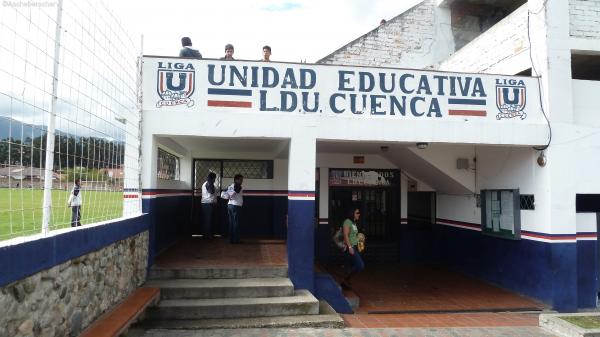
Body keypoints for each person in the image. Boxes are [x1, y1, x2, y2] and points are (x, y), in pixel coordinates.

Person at [341, 208, 364, 288]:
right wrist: (350, 247)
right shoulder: (347, 222)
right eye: (357, 213)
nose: (359, 214)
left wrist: (359, 237)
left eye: (359, 213)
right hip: (350, 247)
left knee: (352, 265)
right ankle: (346, 276)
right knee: (360, 265)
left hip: (356, 246)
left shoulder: (354, 223)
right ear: (352, 213)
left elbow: (352, 235)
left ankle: (346, 281)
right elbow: (345, 235)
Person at [226, 174, 243, 243]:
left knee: (231, 222)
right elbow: (237, 190)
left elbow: (227, 194)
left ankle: (231, 239)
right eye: (240, 180)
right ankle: (236, 240)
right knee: (236, 223)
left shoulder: (230, 186)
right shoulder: (237, 186)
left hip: (230, 205)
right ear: (236, 180)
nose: (242, 181)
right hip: (236, 206)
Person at [201, 172, 218, 238]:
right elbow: (211, 191)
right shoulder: (209, 183)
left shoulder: (206, 183)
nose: (215, 180)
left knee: (208, 220)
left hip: (207, 204)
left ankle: (207, 234)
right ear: (212, 178)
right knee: (208, 220)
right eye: (214, 178)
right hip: (208, 204)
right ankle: (207, 235)